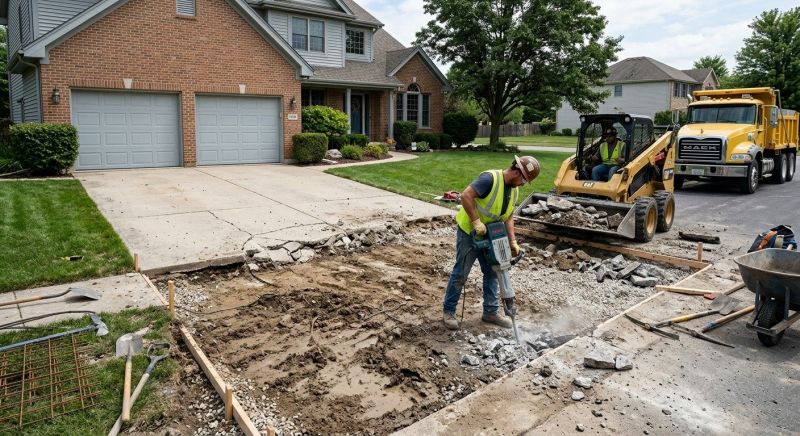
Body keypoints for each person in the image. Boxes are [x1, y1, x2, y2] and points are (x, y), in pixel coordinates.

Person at [442, 155, 541, 330]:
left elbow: (509, 215)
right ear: (517, 172)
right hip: (470, 232)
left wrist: (513, 241)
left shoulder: (513, 189)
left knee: (493, 273)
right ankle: (449, 311)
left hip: (491, 235)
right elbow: (466, 196)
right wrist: (475, 222)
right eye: (524, 180)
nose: (522, 184)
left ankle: (490, 312)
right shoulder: (489, 179)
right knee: (461, 273)